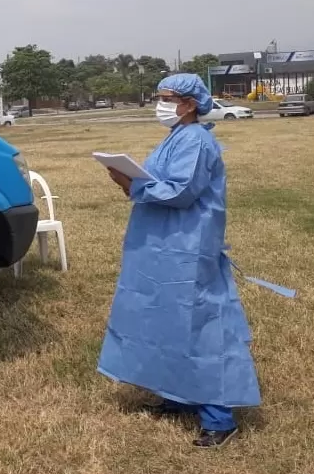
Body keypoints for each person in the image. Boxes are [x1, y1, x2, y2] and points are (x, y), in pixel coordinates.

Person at [98, 73, 260, 448]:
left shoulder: (198, 141)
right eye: (160, 96)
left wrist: (130, 183)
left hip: (188, 246)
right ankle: (177, 395)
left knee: (200, 324)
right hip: (164, 244)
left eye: (168, 97)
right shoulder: (177, 136)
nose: (161, 103)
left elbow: (181, 192)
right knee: (166, 318)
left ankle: (219, 419)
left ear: (189, 104)